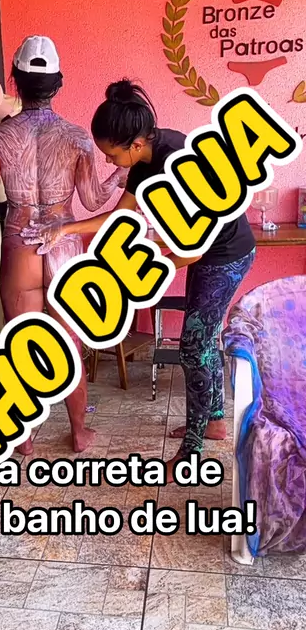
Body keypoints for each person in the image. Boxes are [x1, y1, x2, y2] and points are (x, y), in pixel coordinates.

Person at [21, 79, 256, 480]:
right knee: (202, 339)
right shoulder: (144, 160)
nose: (109, 161)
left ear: (134, 144)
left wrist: (141, 269)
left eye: (112, 154)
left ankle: (192, 450)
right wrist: (66, 228)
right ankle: (214, 420)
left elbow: (192, 252)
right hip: (206, 253)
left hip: (227, 254)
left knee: (194, 346)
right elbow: (121, 215)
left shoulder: (176, 160)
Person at [0, 37, 127, 455]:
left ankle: (23, 438)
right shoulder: (77, 137)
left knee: (21, 346)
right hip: (63, 245)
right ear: (58, 84)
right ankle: (79, 432)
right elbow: (92, 200)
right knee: (69, 344)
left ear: (15, 82)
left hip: (19, 244)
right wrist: (117, 179)